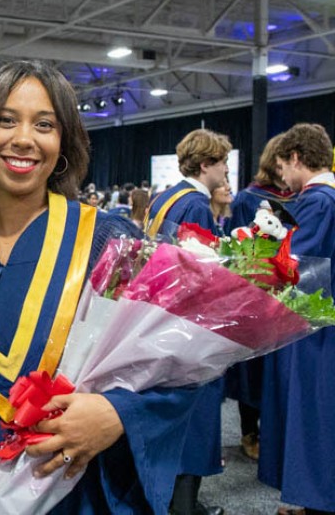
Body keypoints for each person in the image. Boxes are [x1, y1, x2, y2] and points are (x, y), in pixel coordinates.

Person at [0, 61, 199, 514]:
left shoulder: (108, 242)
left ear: (63, 143)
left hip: (71, 486)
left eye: (45, 125)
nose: (23, 138)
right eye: (5, 120)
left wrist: (118, 415)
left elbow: (182, 363)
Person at [144, 128, 232, 515]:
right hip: (189, 325)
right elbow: (201, 271)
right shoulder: (196, 205)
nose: (226, 170)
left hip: (157, 318)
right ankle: (184, 507)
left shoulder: (164, 196)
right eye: (223, 163)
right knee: (194, 417)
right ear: (205, 165)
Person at [260, 123, 335, 515]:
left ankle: (316, 498)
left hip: (316, 324)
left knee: (315, 412)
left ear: (295, 157)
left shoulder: (319, 200)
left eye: (282, 169)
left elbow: (296, 264)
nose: (282, 180)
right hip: (323, 317)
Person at [224, 134, 296, 462]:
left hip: (286, 295)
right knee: (250, 368)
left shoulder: (298, 196)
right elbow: (240, 248)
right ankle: (249, 432)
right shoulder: (247, 199)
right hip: (253, 294)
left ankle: (276, 433)